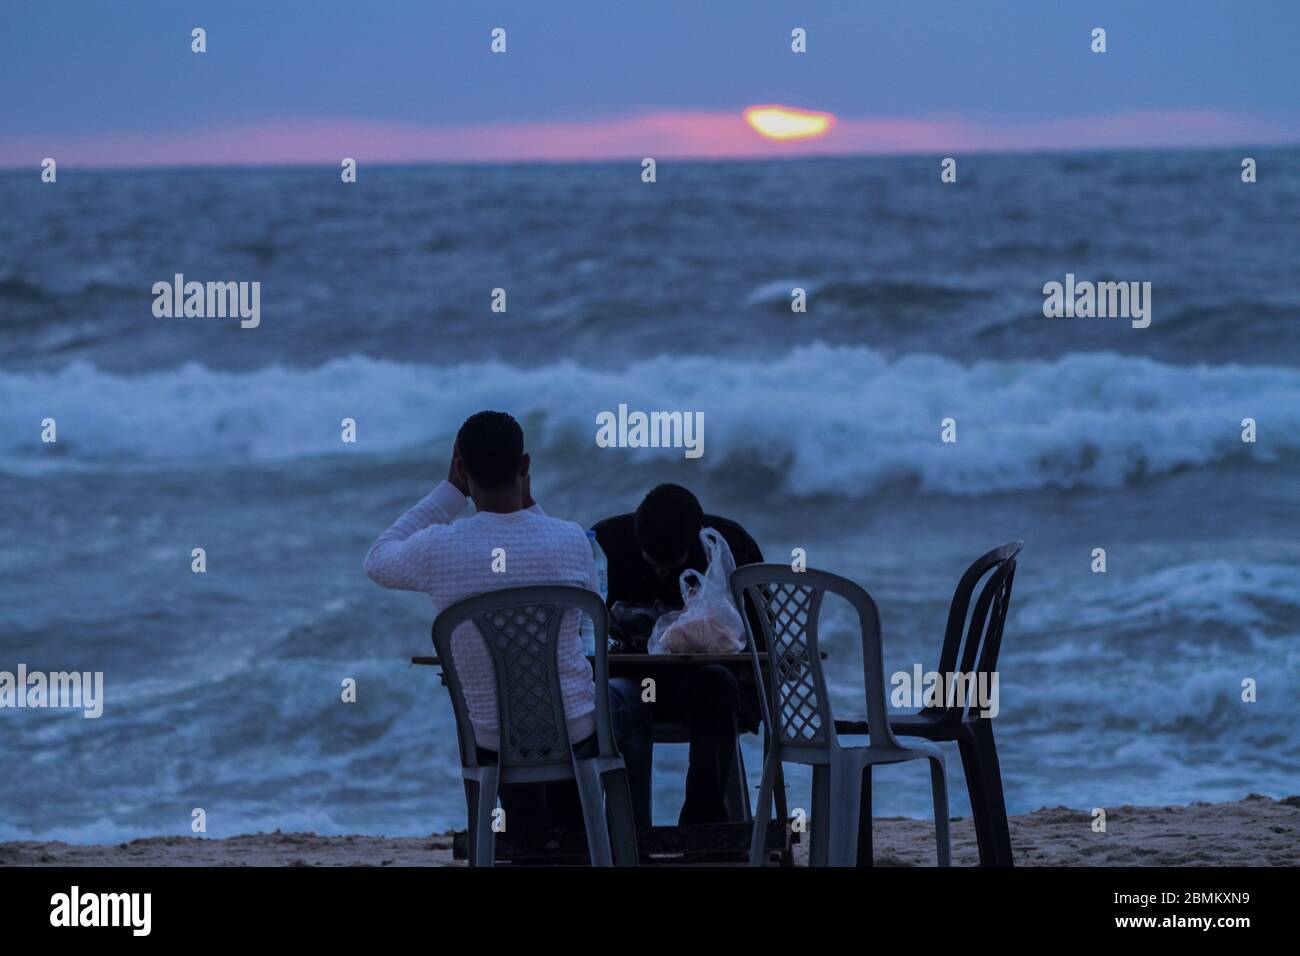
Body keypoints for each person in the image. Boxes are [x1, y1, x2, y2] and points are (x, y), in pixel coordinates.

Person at [363, 410, 651, 833]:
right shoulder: (571, 540)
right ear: (525, 466)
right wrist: (528, 503)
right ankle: (627, 839)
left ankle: (537, 840)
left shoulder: (437, 549)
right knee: (633, 702)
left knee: (521, 716)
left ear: (462, 468)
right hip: (576, 732)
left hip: (490, 738)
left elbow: (378, 558)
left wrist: (449, 492)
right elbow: (582, 619)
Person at [592, 484, 764, 826]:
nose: (660, 574)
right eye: (650, 563)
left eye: (669, 565)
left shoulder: (730, 547)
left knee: (716, 686)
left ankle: (704, 825)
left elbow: (760, 637)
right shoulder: (607, 544)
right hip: (631, 686)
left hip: (708, 685)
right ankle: (627, 832)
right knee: (617, 697)